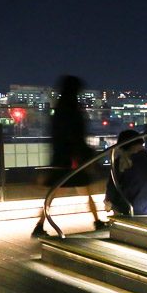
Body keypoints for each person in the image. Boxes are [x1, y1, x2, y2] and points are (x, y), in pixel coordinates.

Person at [32, 75, 105, 237]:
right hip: (74, 160)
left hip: (61, 158)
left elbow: (60, 135)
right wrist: (85, 154)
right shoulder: (73, 109)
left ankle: (40, 225)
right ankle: (97, 221)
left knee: (54, 194)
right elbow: (77, 135)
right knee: (86, 191)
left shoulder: (59, 108)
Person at [105, 129, 147, 215]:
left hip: (135, 207)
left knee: (115, 201)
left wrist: (108, 201)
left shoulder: (120, 161)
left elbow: (112, 187)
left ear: (122, 145)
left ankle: (117, 223)